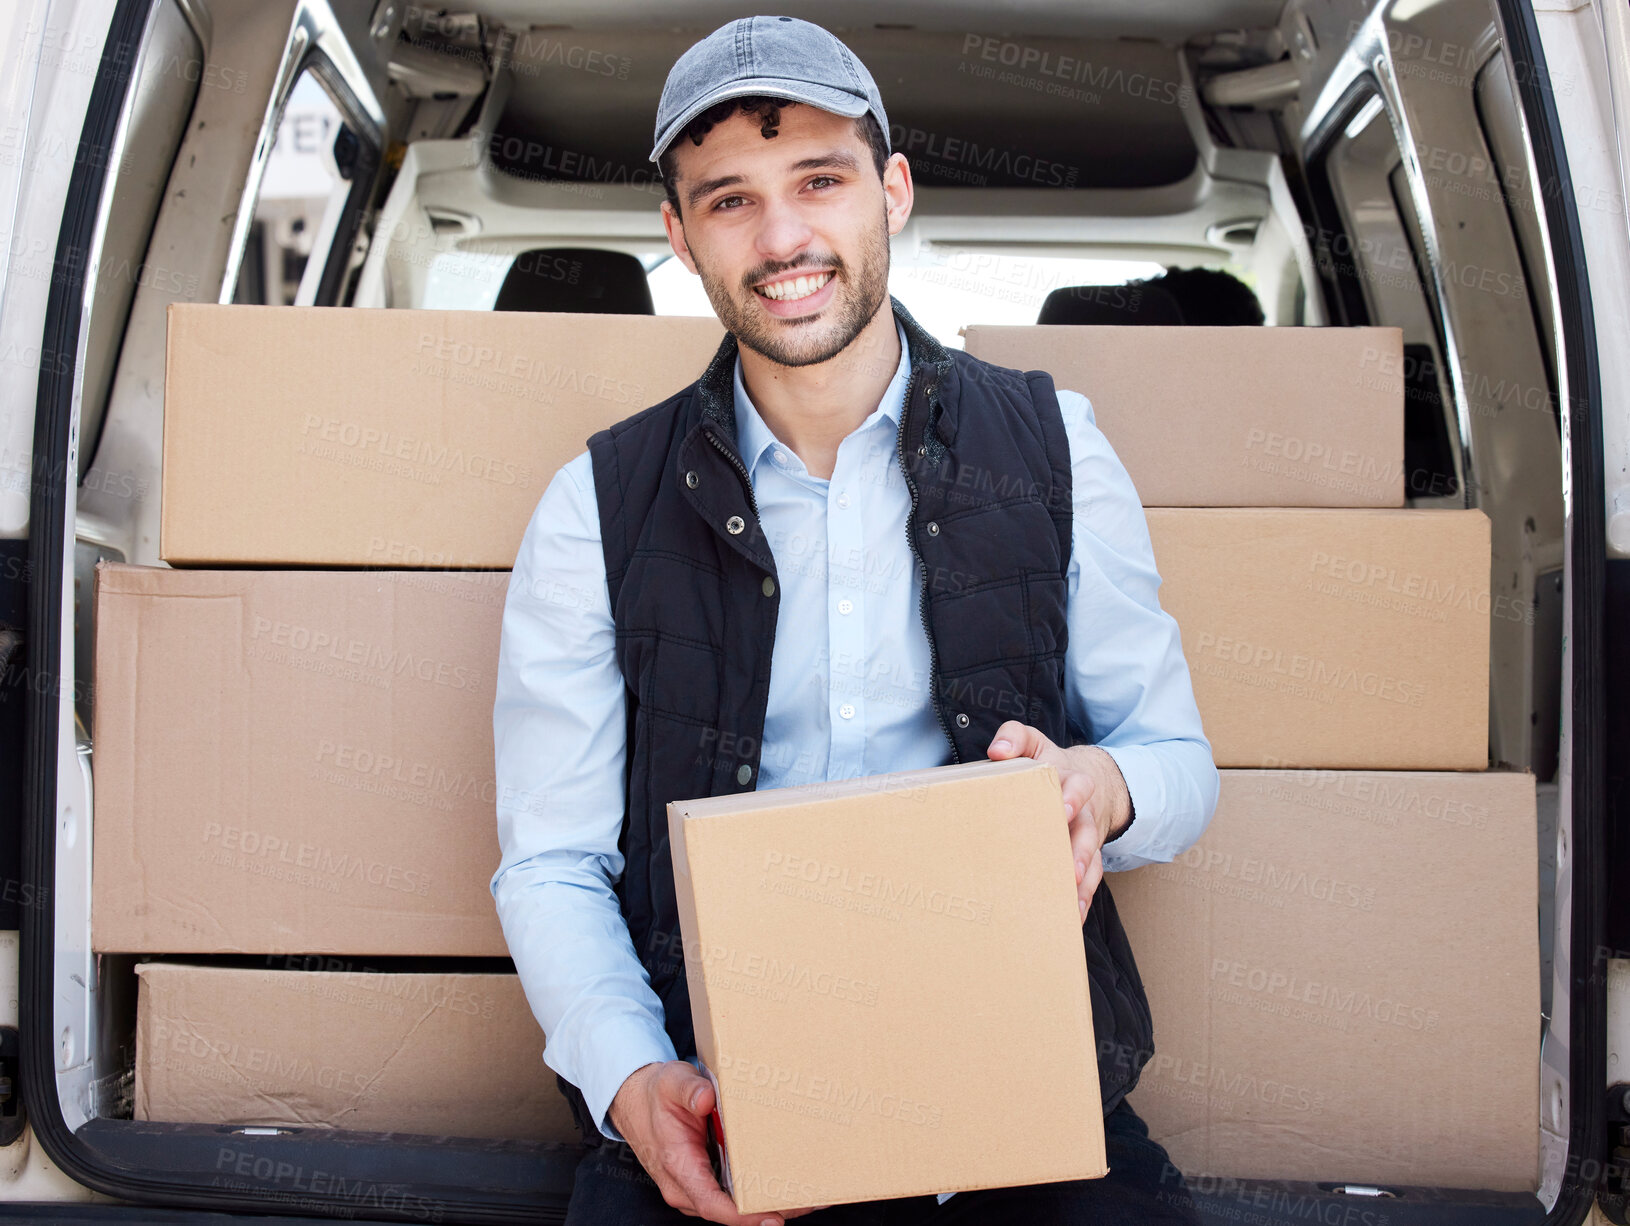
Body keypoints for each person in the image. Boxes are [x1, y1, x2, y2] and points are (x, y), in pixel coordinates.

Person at [491, 17, 1218, 1226]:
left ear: (891, 191)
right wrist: (632, 1082)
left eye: (819, 181)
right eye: (728, 201)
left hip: (1019, 1104)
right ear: (678, 237)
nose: (782, 239)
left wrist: (1097, 787)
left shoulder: (1054, 450)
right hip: (720, 1102)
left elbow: (1178, 765)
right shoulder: (595, 507)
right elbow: (554, 860)